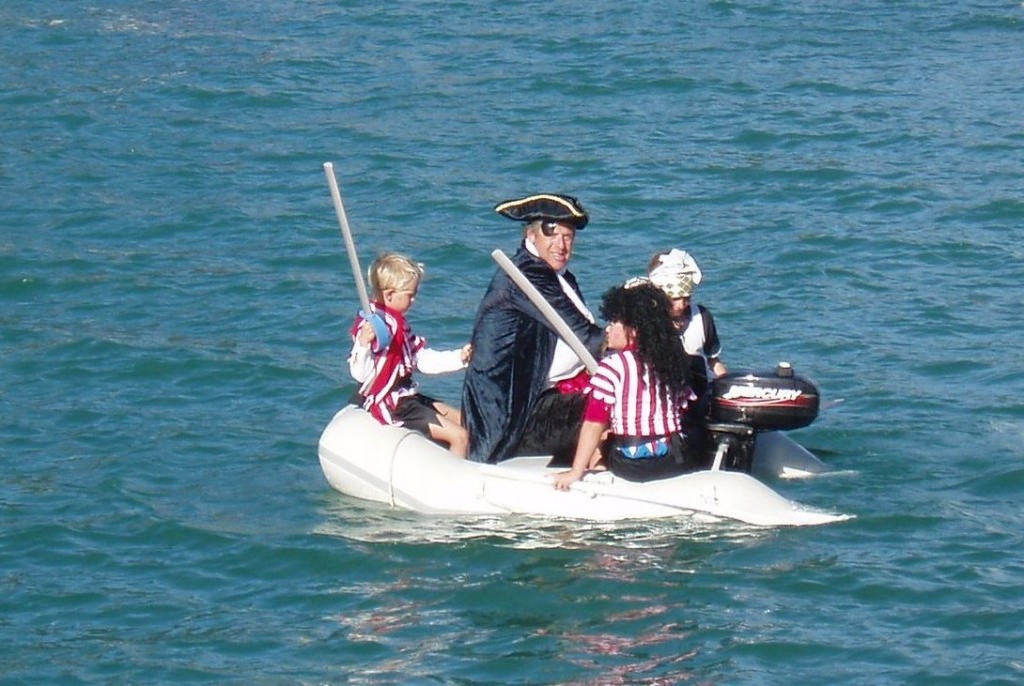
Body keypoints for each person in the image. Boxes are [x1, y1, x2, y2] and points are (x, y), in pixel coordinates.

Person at [462, 193, 605, 464]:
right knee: (611, 398)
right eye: (552, 235)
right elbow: (585, 337)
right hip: (514, 417)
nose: (561, 245)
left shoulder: (562, 277)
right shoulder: (526, 276)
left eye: (568, 237)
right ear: (531, 235)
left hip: (555, 394)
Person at [553, 282, 705, 490]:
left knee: (601, 435)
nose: (608, 328)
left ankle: (595, 473)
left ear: (632, 331)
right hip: (673, 461)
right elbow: (682, 408)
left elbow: (593, 423)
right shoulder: (670, 363)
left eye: (614, 322)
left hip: (633, 466)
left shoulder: (613, 366)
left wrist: (574, 472)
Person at [349, 252, 472, 458]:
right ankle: (452, 481)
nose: (414, 300)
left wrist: (459, 357)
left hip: (407, 396)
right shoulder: (373, 327)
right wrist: (363, 346)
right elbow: (361, 375)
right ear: (389, 295)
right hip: (392, 404)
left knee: (465, 420)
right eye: (410, 294)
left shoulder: (398, 323)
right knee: (460, 437)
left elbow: (421, 359)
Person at [645, 249, 728, 417]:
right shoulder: (646, 321)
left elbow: (713, 361)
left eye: (686, 298)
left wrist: (727, 383)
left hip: (698, 400)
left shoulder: (702, 317)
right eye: (675, 299)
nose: (681, 304)